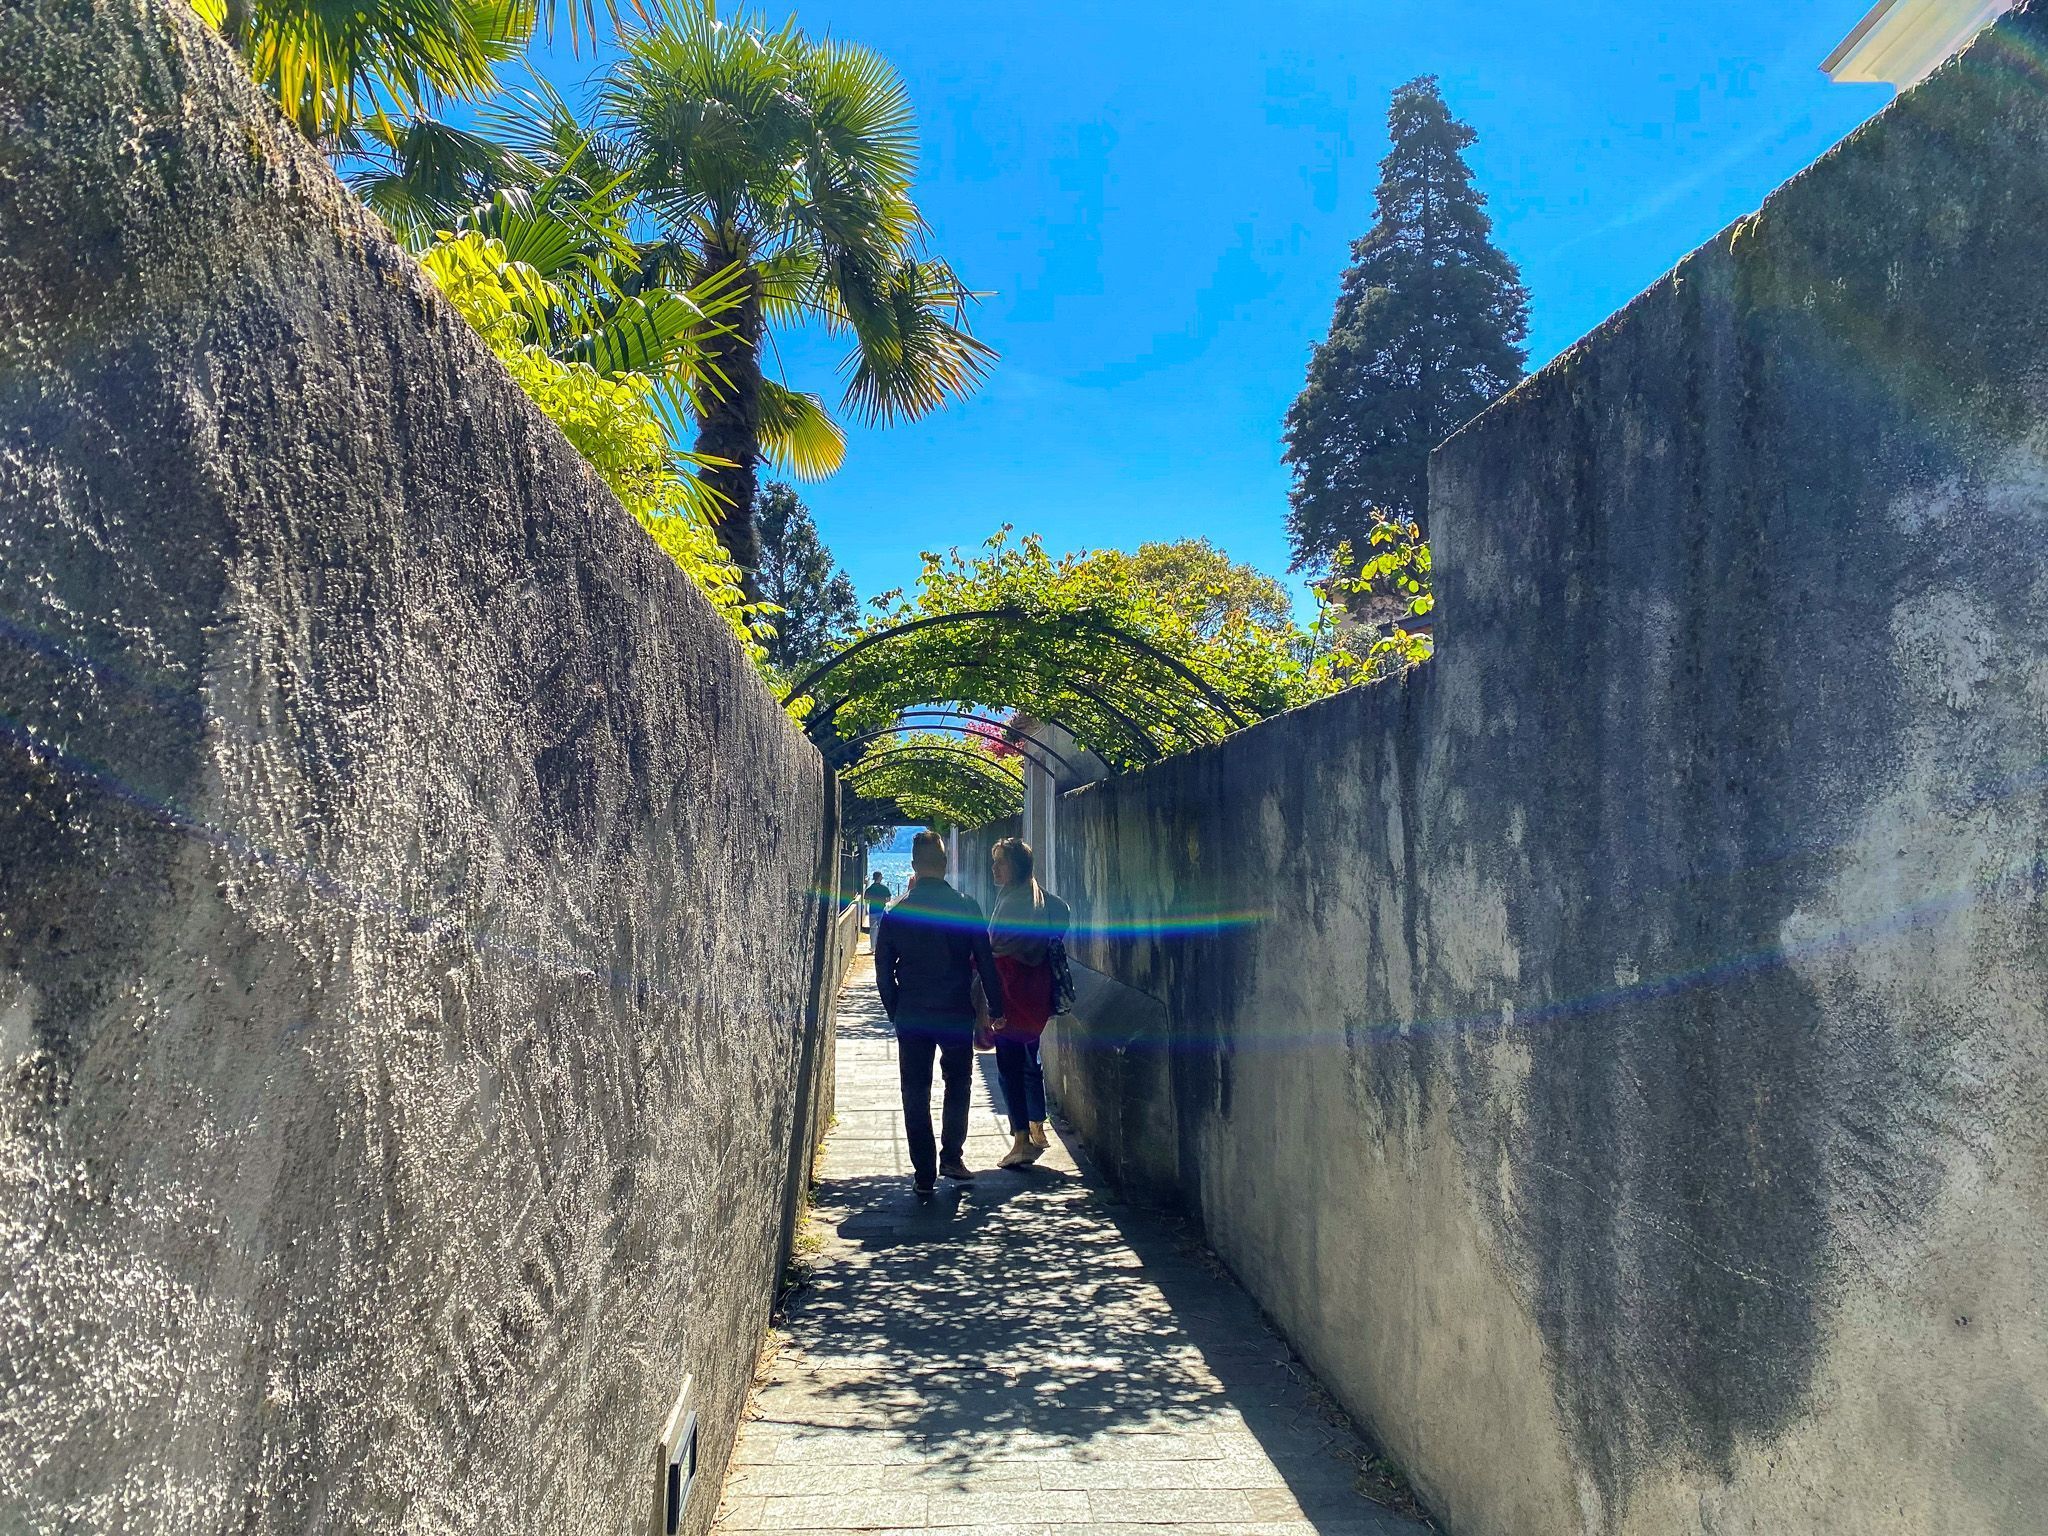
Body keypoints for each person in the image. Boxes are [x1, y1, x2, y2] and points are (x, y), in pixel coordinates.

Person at [873, 831, 1005, 1195]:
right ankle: (952, 1157)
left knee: (915, 1090)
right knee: (958, 1082)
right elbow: (986, 961)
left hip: (913, 1013)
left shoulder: (896, 912)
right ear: (945, 864)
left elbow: (883, 970)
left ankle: (923, 1173)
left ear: (914, 865)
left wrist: (895, 1010)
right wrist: (996, 1007)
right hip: (955, 1010)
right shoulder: (966, 906)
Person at [986, 836, 1071, 1170]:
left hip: (1012, 995)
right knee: (1029, 1060)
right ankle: (1036, 1126)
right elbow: (1063, 911)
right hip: (1035, 996)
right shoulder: (1035, 895)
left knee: (1008, 1067)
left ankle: (1021, 1140)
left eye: (1001, 862)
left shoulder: (1013, 902)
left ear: (1017, 866)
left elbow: (995, 949)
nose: (995, 868)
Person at [862, 872, 890, 951]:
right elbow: (888, 899)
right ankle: (881, 947)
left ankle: (873, 947)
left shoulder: (869, 889)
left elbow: (866, 900)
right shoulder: (884, 888)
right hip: (881, 910)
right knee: (881, 929)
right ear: (879, 878)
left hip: (872, 911)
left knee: (873, 929)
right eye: (881, 876)